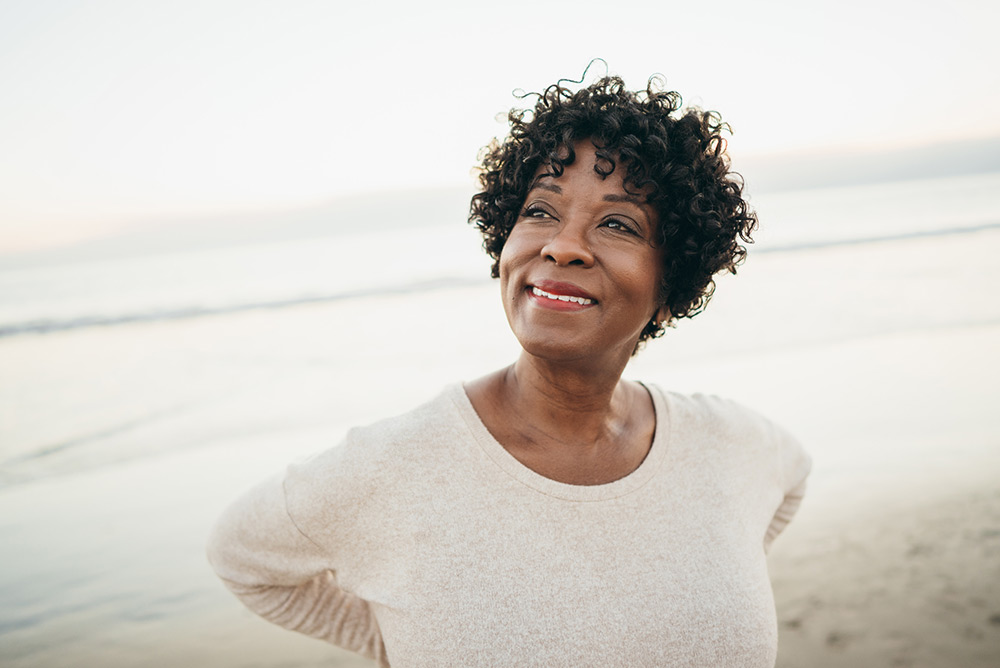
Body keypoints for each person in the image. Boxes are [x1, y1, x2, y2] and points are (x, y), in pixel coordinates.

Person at [207, 71, 811, 668]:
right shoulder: (397, 466)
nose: (563, 245)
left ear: (671, 285)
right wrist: (395, 641)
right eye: (541, 211)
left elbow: (791, 478)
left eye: (618, 223)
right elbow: (242, 556)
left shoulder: (733, 444)